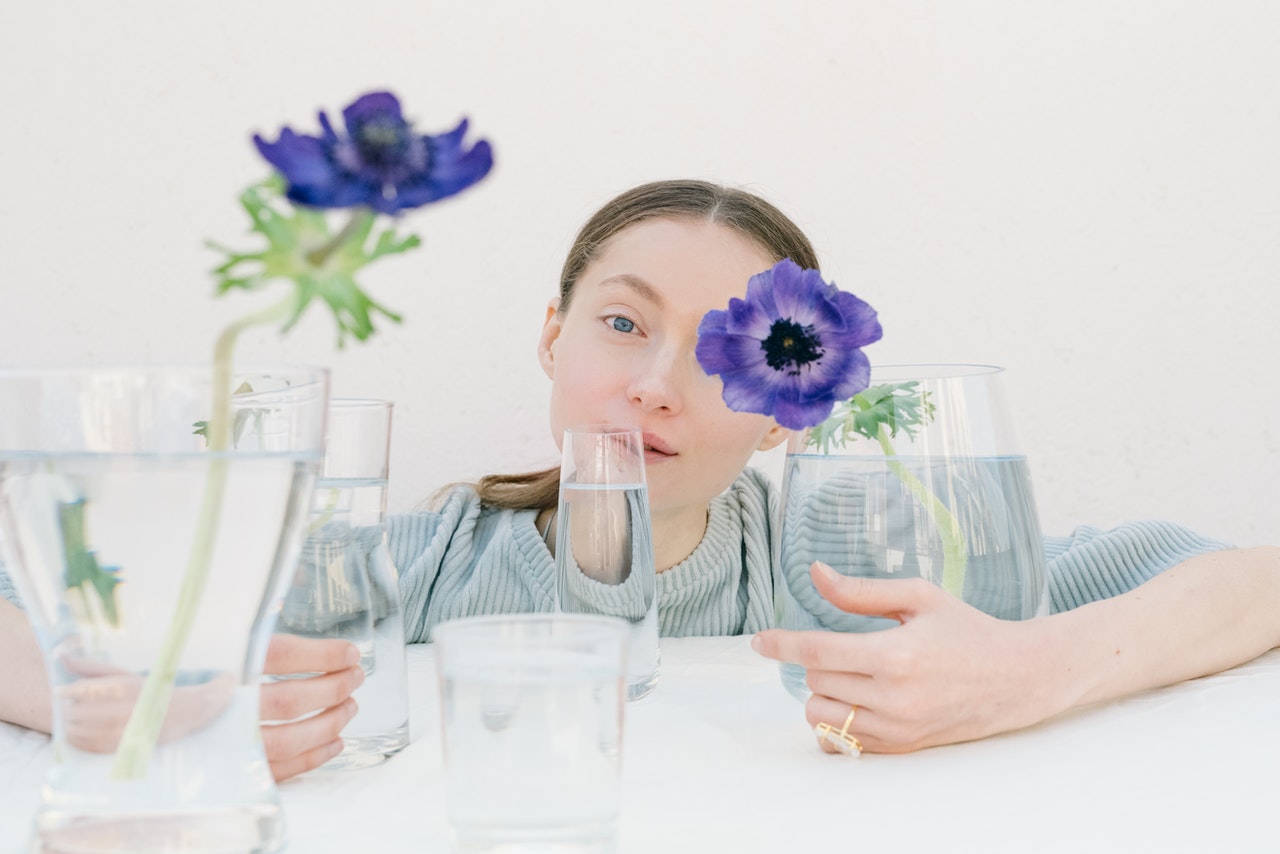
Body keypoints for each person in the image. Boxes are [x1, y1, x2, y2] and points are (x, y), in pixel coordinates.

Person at [1, 179, 1277, 779]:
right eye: (621, 323)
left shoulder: (845, 557)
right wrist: (102, 699)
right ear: (550, 336)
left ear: (793, 406)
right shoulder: (434, 553)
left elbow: (1246, 582)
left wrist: (1028, 667)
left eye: (730, 347)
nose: (658, 381)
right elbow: (63, 599)